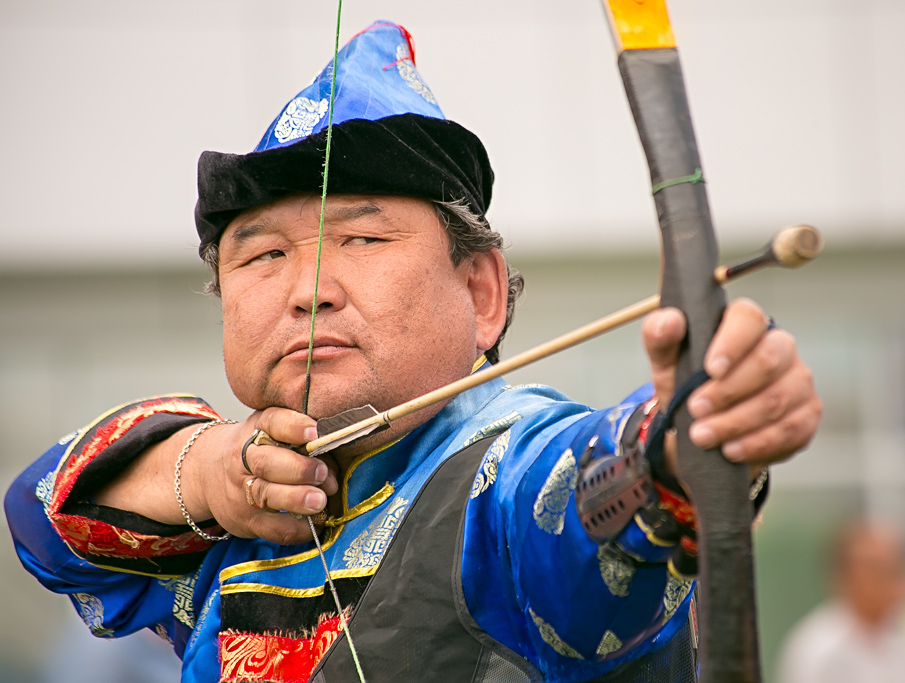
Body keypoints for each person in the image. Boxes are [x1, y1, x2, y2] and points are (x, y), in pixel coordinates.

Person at [5, 21, 821, 683]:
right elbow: (40, 519)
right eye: (259, 256)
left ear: (481, 293)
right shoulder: (237, 517)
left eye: (361, 236)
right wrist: (211, 470)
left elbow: (586, 496)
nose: (307, 289)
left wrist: (680, 443)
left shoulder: (500, 477)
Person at [776, 522, 905, 683]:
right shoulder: (819, 649)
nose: (896, 582)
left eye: (898, 568)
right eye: (880, 570)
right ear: (848, 575)